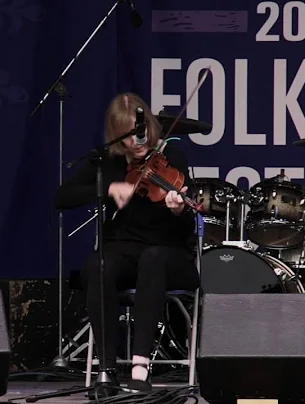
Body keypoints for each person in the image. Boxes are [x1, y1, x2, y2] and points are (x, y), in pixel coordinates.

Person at [54, 93, 199, 395]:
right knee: (99, 263)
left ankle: (139, 367)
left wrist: (177, 207)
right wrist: (108, 188)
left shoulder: (172, 157)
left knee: (153, 258)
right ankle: (106, 370)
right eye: (130, 136)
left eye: (141, 132)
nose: (139, 142)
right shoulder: (110, 163)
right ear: (117, 137)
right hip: (124, 250)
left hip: (170, 254)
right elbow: (61, 197)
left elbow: (187, 217)